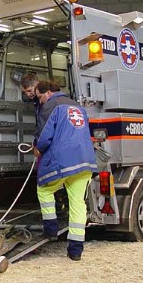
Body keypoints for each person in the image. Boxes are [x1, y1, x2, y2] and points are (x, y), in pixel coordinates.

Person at [33, 80, 98, 261]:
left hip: (63, 161)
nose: (40, 102)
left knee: (44, 189)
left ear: (47, 93)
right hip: (85, 161)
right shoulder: (78, 107)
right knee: (77, 203)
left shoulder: (51, 106)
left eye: (39, 97)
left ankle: (51, 230)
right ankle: (75, 249)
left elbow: (45, 136)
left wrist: (37, 147)